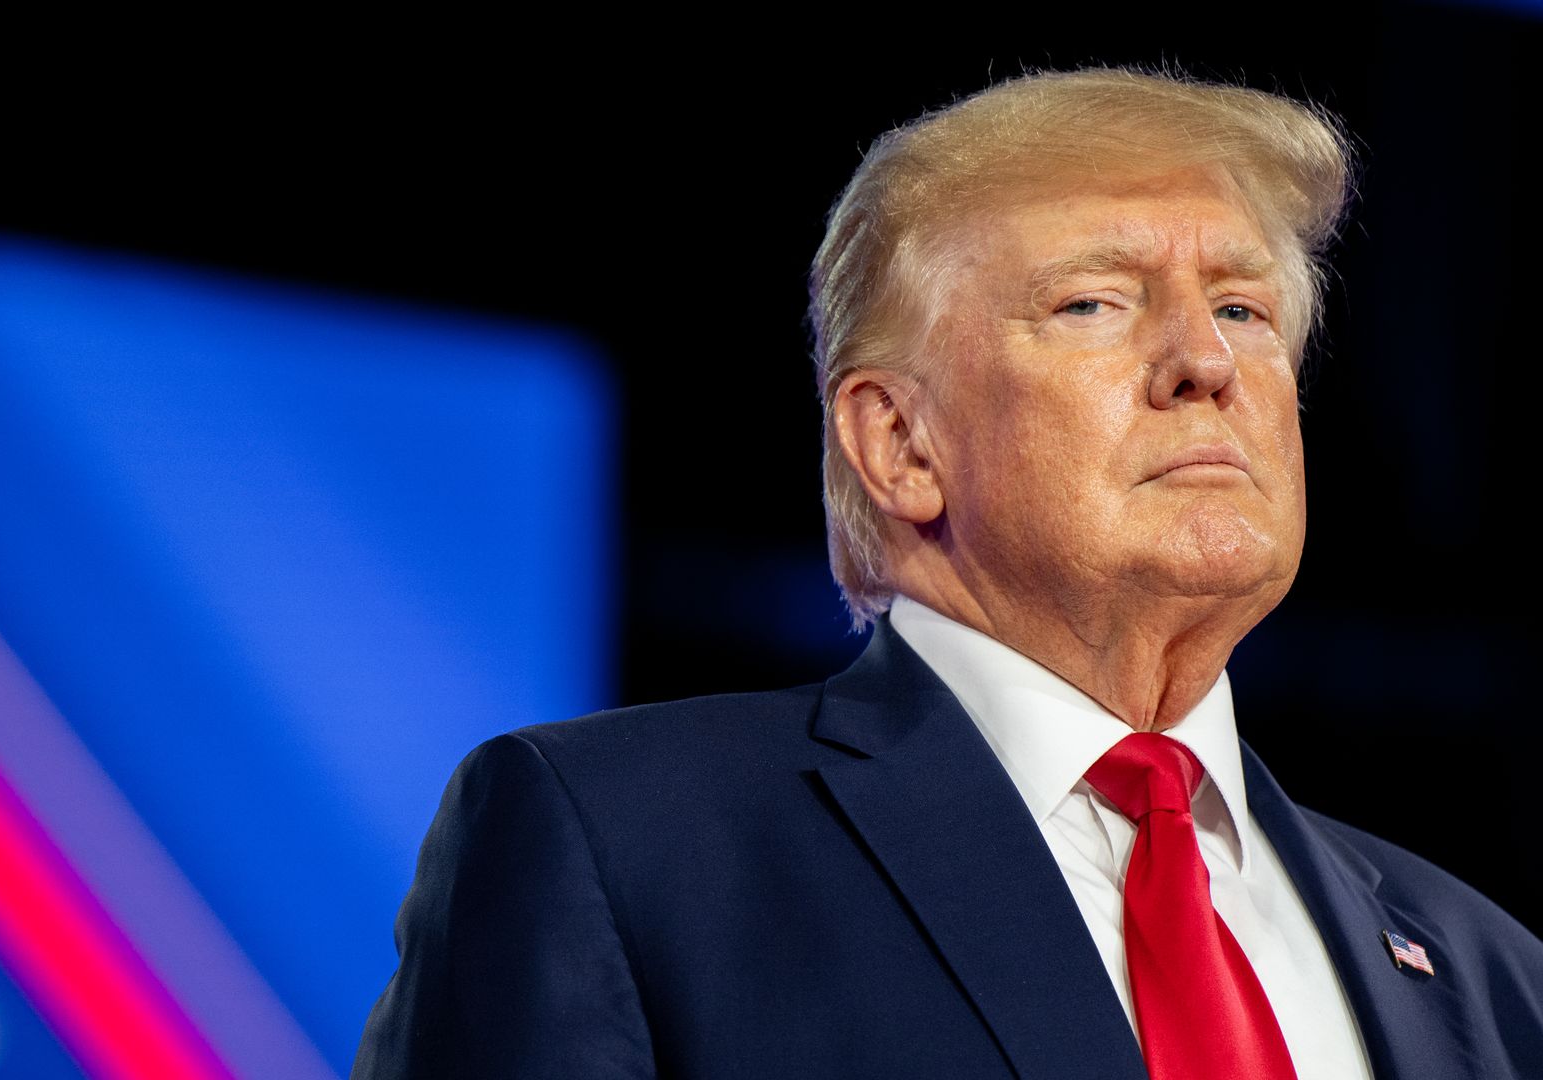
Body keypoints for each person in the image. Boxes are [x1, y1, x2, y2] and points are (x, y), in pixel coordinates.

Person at [351, 68, 1543, 1080]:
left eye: (1243, 308)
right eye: (1095, 301)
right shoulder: (619, 845)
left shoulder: (1488, 974)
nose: (1205, 361)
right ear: (900, 445)